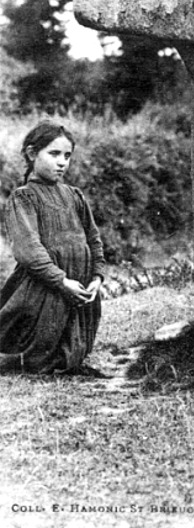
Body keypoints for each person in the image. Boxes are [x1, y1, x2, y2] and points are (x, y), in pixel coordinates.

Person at [0, 120, 106, 376]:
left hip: (79, 286)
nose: (62, 162)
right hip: (44, 288)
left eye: (67, 156)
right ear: (32, 154)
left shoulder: (74, 196)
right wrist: (60, 280)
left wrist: (97, 276)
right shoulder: (24, 197)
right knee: (37, 350)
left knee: (72, 345)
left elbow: (93, 238)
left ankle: (67, 358)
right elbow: (28, 249)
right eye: (54, 154)